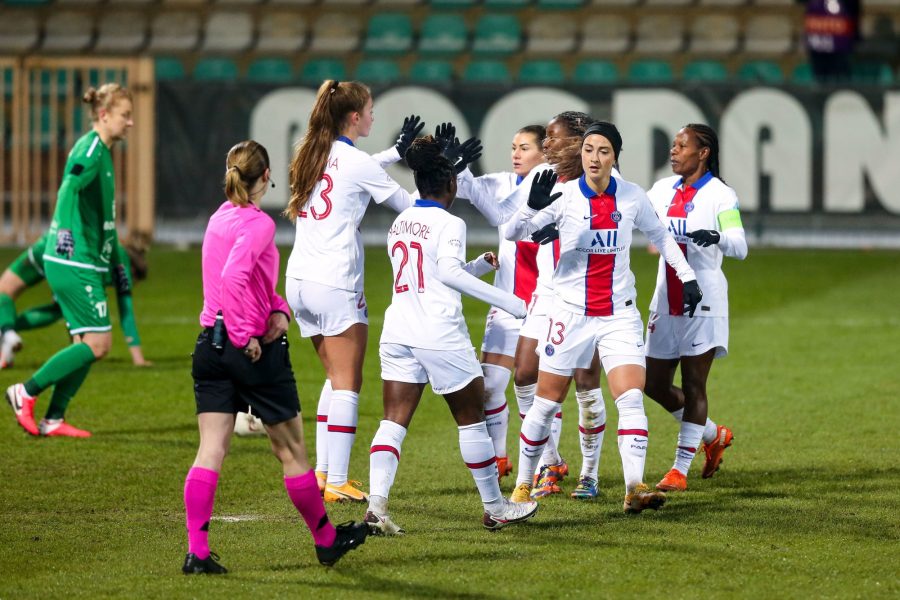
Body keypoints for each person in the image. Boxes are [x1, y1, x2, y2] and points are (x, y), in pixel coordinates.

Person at [183, 140, 367, 575]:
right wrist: (249, 333)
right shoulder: (258, 223)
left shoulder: (218, 218)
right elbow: (234, 278)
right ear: (266, 176)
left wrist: (279, 309)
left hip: (209, 345)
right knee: (292, 452)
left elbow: (247, 286)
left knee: (210, 450)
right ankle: (326, 541)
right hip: (250, 349)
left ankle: (198, 552)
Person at [504, 121, 703, 513]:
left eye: (604, 151)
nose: (595, 158)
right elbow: (514, 233)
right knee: (545, 404)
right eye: (589, 150)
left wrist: (688, 275)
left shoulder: (631, 197)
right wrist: (532, 207)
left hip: (618, 314)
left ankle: (634, 488)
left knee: (630, 399)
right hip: (570, 314)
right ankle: (523, 486)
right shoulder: (561, 197)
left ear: (615, 157)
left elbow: (661, 237)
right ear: (581, 154)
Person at [364, 136, 538, 534]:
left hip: (398, 330)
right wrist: (511, 302)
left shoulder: (402, 220)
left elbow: (429, 272)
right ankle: (495, 507)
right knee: (472, 420)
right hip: (439, 333)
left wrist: (475, 266)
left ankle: (377, 505)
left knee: (393, 421)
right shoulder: (451, 221)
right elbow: (445, 274)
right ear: (452, 184)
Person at [284, 80, 426, 503]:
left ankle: (325, 475)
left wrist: (394, 154)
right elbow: (410, 205)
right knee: (347, 383)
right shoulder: (354, 160)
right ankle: (340, 479)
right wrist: (443, 174)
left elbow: (355, 165)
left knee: (333, 378)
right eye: (368, 110)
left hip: (299, 281)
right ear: (353, 117)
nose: (373, 117)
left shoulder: (310, 153)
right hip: (335, 280)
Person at [482, 112, 610, 501]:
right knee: (523, 374)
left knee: (586, 384)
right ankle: (550, 461)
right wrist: (530, 215)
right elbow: (511, 229)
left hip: (588, 295)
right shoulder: (541, 180)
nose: (548, 146)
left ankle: (589, 473)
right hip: (546, 293)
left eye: (554, 139)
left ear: (576, 142)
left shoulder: (605, 182)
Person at [6, 84, 135, 438]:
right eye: (125, 115)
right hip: (73, 260)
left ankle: (53, 419)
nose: (131, 122)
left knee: (86, 347)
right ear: (105, 115)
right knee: (98, 344)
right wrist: (61, 230)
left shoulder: (102, 151)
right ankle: (25, 391)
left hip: (87, 261)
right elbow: (68, 187)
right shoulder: (91, 149)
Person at [644, 124, 747, 492]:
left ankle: (679, 469)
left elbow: (740, 244)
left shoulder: (720, 195)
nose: (674, 151)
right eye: (673, 145)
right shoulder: (659, 190)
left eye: (682, 145)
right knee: (652, 383)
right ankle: (713, 434)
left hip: (703, 301)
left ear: (703, 153)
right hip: (664, 300)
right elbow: (631, 212)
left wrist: (717, 236)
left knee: (693, 384)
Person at [452, 124, 547, 481]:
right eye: (513, 146)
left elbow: (500, 215)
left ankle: (548, 464)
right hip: (506, 302)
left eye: (524, 147)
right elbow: (464, 189)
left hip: (542, 305)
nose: (516, 154)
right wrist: (458, 165)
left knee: (538, 390)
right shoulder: (506, 183)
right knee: (490, 385)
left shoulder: (557, 189)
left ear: (545, 153)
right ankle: (501, 458)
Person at [0, 233, 150, 368]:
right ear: (134, 271)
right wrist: (138, 359)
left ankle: (7, 333)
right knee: (64, 309)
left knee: (6, 290)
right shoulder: (122, 268)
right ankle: (7, 332)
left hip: (50, 242)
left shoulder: (111, 243)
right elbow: (127, 314)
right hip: (66, 257)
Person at [803, 0, 860, 83]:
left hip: (840, 44)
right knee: (820, 81)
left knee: (840, 81)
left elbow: (854, 9)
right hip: (817, 43)